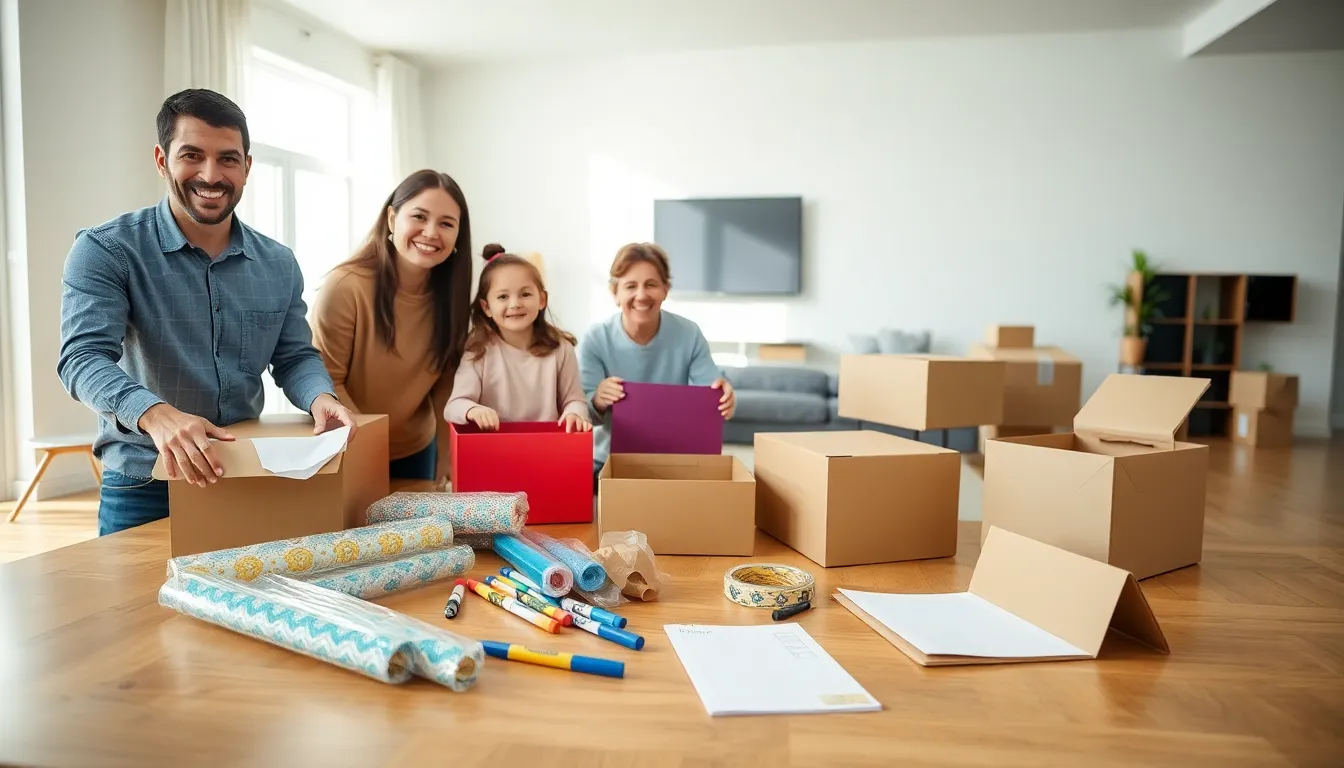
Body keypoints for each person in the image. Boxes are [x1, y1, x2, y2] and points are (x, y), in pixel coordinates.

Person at [57, 88, 356, 536]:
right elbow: (81, 359)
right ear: (162, 160)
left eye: (228, 159)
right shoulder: (105, 250)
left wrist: (321, 397)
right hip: (144, 478)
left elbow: (294, 356)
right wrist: (157, 415)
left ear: (247, 167)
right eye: (192, 155)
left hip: (242, 472)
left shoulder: (278, 262)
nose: (211, 175)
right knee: (133, 608)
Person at [310, 170, 473, 484]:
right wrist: (370, 450)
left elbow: (444, 384)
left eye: (446, 223)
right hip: (351, 442)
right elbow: (329, 379)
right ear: (392, 219)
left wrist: (446, 452)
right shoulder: (345, 287)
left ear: (457, 237)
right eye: (419, 217)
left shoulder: (451, 295)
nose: (430, 232)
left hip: (417, 449)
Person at [578, 242, 735, 478]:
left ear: (665, 289)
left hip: (674, 460)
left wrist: (724, 399)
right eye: (631, 286)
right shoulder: (596, 337)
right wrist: (598, 399)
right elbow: (582, 415)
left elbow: (712, 391)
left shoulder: (689, 333)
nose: (641, 295)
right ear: (615, 293)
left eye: (651, 284)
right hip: (607, 462)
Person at [444, 244, 591, 433]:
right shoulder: (478, 350)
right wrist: (472, 409)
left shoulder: (561, 348)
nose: (515, 304)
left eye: (525, 294)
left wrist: (575, 413)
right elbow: (454, 406)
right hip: (494, 450)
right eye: (503, 296)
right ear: (486, 307)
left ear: (542, 300)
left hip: (547, 450)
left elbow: (575, 400)